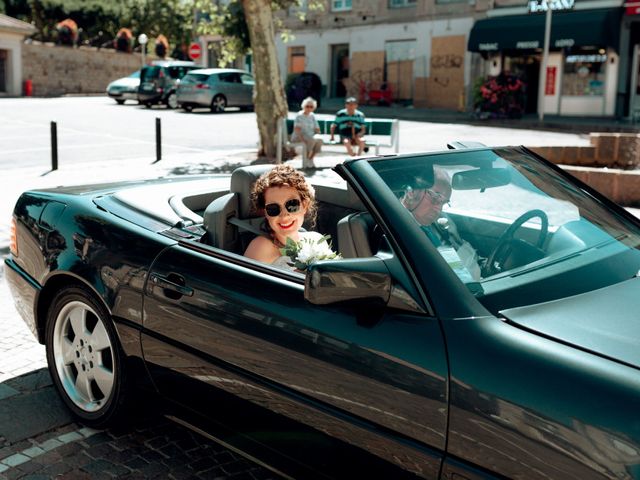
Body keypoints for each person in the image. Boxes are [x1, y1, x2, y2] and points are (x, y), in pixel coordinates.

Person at [400, 168, 482, 281]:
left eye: (443, 202)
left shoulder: (441, 222)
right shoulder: (394, 226)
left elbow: (464, 263)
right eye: (435, 198)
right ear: (411, 192)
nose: (438, 209)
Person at [244, 165, 325, 269]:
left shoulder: (317, 239)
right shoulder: (261, 247)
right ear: (266, 213)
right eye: (273, 208)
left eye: (292, 205)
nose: (284, 215)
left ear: (304, 205)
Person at [290, 97, 323, 167]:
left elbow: (317, 128)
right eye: (307, 106)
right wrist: (302, 140)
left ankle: (310, 159)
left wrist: (318, 134)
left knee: (319, 139)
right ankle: (306, 159)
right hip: (299, 136)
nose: (309, 108)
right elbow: (297, 129)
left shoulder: (312, 116)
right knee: (312, 140)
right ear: (303, 106)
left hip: (310, 136)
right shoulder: (299, 115)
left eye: (311, 107)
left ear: (313, 108)